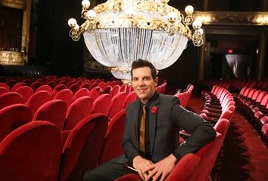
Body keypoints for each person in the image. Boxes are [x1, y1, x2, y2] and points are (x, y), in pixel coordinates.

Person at [83, 59, 216, 181]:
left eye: (146, 78)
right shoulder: (131, 108)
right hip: (134, 162)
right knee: (89, 177)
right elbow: (127, 142)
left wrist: (173, 158)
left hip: (158, 167)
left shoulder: (169, 105)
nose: (140, 84)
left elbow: (206, 129)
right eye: (136, 79)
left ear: (155, 81)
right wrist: (136, 158)